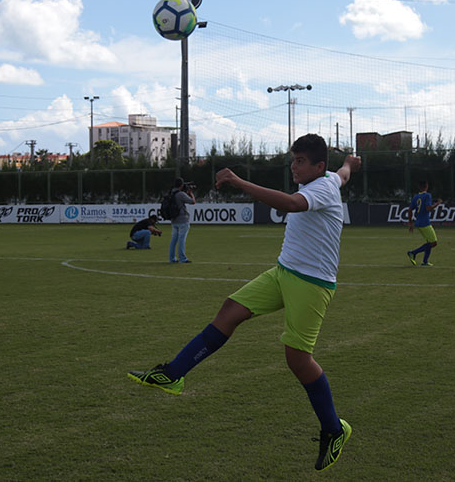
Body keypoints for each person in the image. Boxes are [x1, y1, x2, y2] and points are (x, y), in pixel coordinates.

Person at [128, 134, 361, 472]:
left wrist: (238, 181)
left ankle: (335, 429)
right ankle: (173, 375)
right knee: (230, 310)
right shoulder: (330, 178)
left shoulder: (320, 189)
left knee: (297, 358)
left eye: (300, 161)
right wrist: (350, 164)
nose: (294, 166)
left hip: (312, 284)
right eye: (293, 159)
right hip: (283, 273)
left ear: (318, 166)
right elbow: (343, 174)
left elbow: (290, 204)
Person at [405, 181, 443, 267]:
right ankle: (413, 253)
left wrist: (410, 223)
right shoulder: (427, 195)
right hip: (425, 223)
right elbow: (428, 208)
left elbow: (410, 210)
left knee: (429, 242)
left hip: (418, 223)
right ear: (427, 186)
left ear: (419, 187)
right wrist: (437, 203)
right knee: (434, 243)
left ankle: (425, 261)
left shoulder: (416, 197)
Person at [168, 178, 196, 263]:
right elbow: (192, 201)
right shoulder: (180, 194)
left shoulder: (171, 193)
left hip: (174, 220)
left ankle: (172, 258)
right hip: (182, 219)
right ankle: (182, 258)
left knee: (173, 240)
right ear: (181, 185)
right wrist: (191, 193)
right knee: (181, 240)